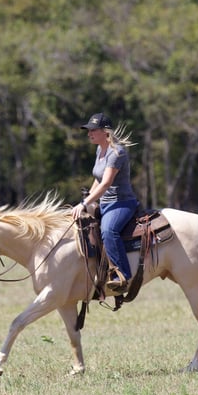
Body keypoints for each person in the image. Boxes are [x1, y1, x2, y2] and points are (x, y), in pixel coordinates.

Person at [71, 112, 139, 292]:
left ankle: (122, 275)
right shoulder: (99, 150)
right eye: (89, 130)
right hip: (106, 203)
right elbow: (98, 179)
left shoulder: (117, 152)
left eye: (93, 130)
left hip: (122, 203)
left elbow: (107, 182)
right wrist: (87, 199)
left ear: (105, 132)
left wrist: (85, 204)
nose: (89, 133)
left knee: (108, 230)